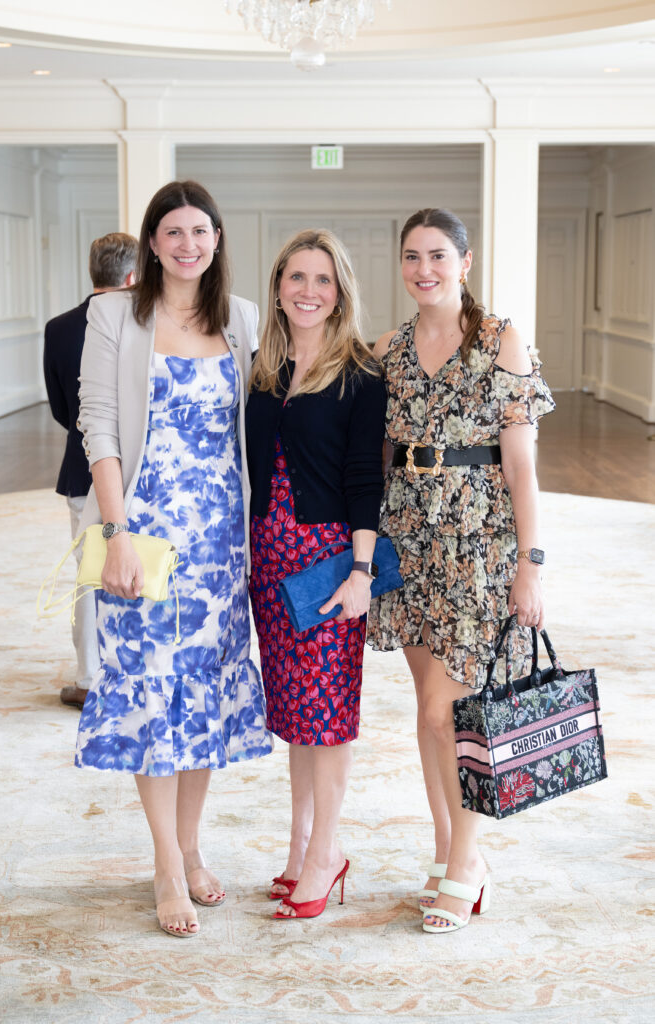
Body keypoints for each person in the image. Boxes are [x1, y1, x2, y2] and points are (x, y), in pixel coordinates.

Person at [75, 180, 273, 937]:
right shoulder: (114, 315)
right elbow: (97, 425)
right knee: (153, 696)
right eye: (173, 232)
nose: (188, 244)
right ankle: (165, 863)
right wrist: (116, 533)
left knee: (203, 697)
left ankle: (191, 848)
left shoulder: (243, 319)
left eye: (200, 231)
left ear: (217, 239)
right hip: (145, 537)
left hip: (221, 544)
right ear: (152, 243)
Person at [366, 208, 555, 934]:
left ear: (465, 262)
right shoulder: (389, 350)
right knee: (428, 710)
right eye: (412, 256)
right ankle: (449, 849)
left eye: (438, 255)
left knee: (451, 712)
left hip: (478, 542)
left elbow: (522, 465)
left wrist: (530, 563)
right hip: (409, 536)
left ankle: (467, 862)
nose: (424, 269)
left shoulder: (500, 340)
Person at [246, 229, 386, 920]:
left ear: (340, 291)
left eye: (322, 279)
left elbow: (365, 478)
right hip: (267, 559)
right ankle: (302, 845)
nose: (308, 291)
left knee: (326, 714)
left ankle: (327, 854)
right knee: (296, 714)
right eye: (296, 277)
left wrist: (361, 571)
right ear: (278, 287)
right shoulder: (262, 368)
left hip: (326, 560)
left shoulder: (359, 373)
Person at [43, 232, 138, 709]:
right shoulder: (146, 323)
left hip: (82, 469)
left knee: (88, 574)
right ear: (133, 275)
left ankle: (87, 677)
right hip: (138, 468)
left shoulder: (58, 328)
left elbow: (62, 409)